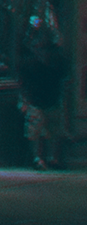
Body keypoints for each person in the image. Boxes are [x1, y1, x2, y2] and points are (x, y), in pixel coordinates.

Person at [18, 30, 68, 171]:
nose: (41, 51)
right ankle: (39, 159)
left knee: (52, 131)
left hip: (50, 101)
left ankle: (51, 159)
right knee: (36, 132)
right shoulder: (31, 64)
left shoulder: (53, 63)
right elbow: (24, 84)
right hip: (37, 101)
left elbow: (62, 81)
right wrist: (25, 101)